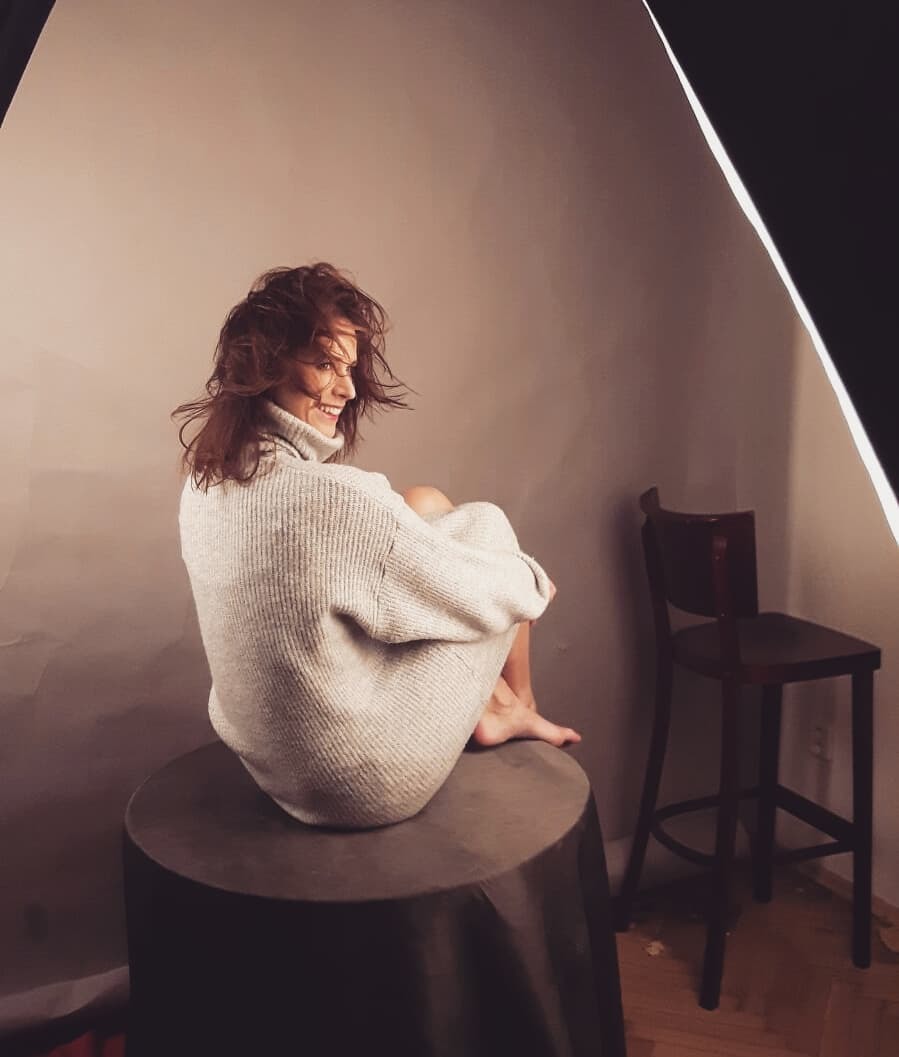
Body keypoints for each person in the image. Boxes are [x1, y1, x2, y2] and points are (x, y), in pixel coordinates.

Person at [174, 263, 580, 828]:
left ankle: (496, 708)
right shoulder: (332, 501)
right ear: (266, 365)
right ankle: (519, 707)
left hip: (276, 767)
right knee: (486, 529)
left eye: (349, 368)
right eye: (324, 365)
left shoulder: (207, 479)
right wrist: (531, 581)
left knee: (422, 502)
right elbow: (475, 590)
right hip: (360, 784)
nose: (346, 388)